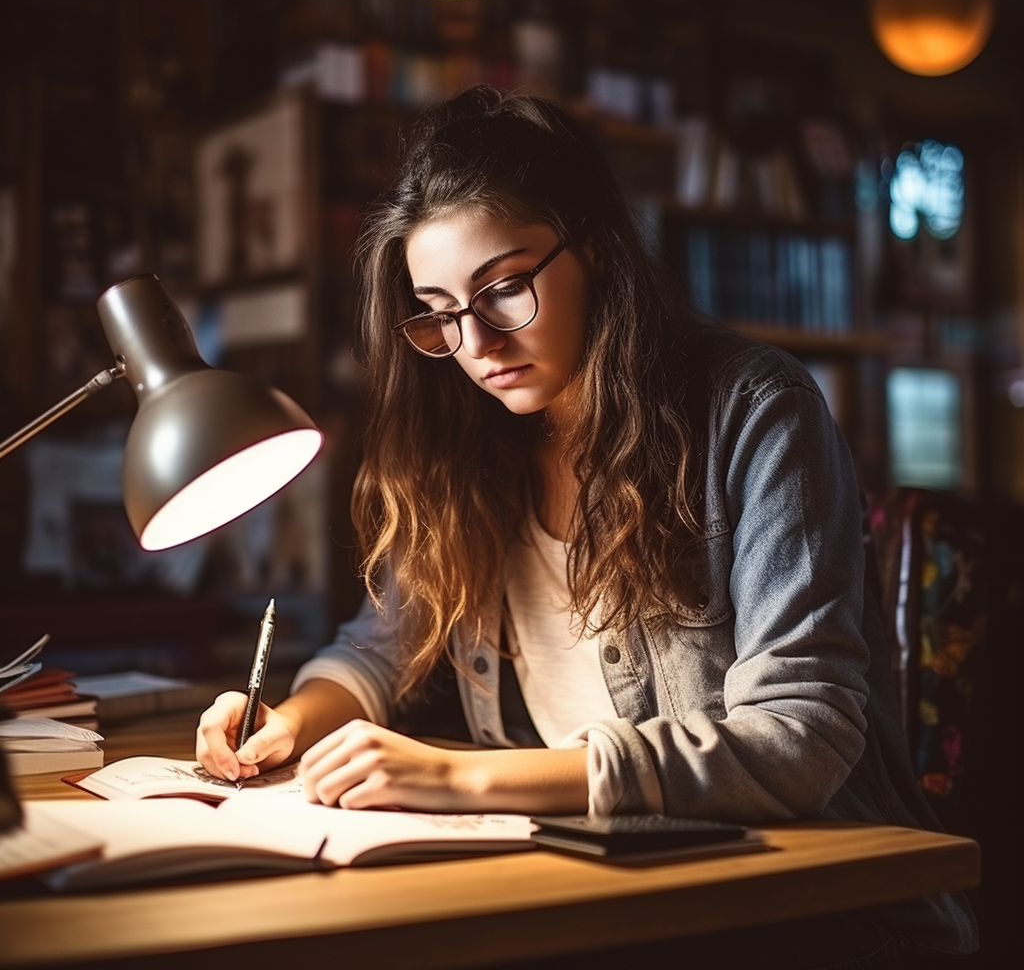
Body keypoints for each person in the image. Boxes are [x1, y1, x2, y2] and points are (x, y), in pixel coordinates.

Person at [197, 86, 977, 966]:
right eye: (441, 312)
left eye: (503, 289)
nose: (477, 344)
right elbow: (381, 647)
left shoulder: (757, 410)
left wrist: (458, 777)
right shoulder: (466, 448)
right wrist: (292, 723)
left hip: (808, 914)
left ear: (597, 252)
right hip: (605, 889)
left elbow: (801, 737)